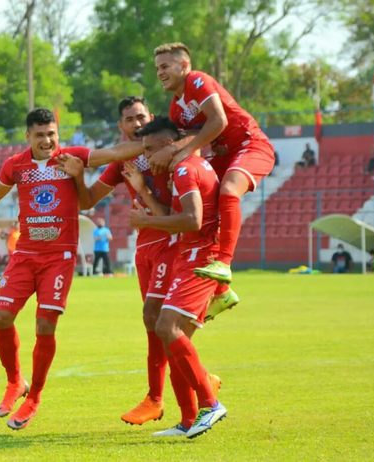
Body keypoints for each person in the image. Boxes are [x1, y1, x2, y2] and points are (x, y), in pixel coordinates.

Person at [0, 107, 145, 431]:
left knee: (45, 325)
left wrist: (157, 142)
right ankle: (16, 381)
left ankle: (35, 397)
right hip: (26, 253)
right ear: (28, 135)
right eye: (40, 135)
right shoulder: (16, 165)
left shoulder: (73, 157)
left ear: (59, 134)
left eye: (52, 134)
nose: (47, 140)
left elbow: (113, 152)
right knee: (1, 317)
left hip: (59, 257)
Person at [58, 97, 236, 427]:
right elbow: (87, 200)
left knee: (161, 321)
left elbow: (184, 210)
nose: (136, 123)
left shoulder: (170, 149)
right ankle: (195, 386)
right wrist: (78, 177)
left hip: (171, 239)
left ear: (151, 118)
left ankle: (163, 397)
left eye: (141, 116)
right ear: (121, 126)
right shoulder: (124, 161)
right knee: (154, 322)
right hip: (146, 245)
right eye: (129, 119)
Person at [128, 117, 227, 438]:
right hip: (189, 258)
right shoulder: (187, 167)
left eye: (150, 151)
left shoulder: (184, 170)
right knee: (166, 332)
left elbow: (193, 220)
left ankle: (210, 404)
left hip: (201, 260)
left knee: (166, 328)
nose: (146, 158)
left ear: (169, 146)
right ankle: (187, 420)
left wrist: (144, 218)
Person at [149, 42, 275, 284]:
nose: (160, 73)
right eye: (157, 68)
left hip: (250, 144)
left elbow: (218, 122)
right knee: (197, 201)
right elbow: (187, 139)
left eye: (165, 66)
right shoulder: (175, 108)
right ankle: (219, 291)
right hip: (222, 155)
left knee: (228, 190)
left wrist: (181, 151)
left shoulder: (198, 80)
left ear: (184, 65)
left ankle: (224, 263)